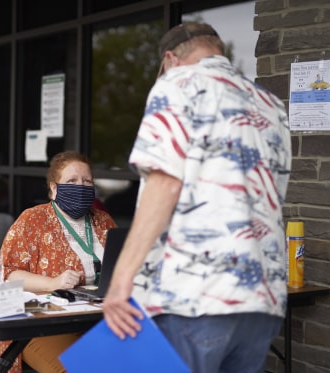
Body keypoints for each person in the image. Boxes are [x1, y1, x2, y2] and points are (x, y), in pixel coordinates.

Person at [102, 22, 291, 373]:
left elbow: (165, 184)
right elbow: (274, 198)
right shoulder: (271, 105)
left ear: (171, 58)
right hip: (262, 299)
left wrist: (120, 281)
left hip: (193, 295)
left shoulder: (177, 83)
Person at [0, 151, 117, 373]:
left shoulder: (103, 220)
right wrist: (52, 283)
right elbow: (7, 273)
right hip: (42, 324)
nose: (81, 186)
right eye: (72, 181)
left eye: (87, 181)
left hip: (97, 319)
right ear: (53, 188)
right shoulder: (32, 220)